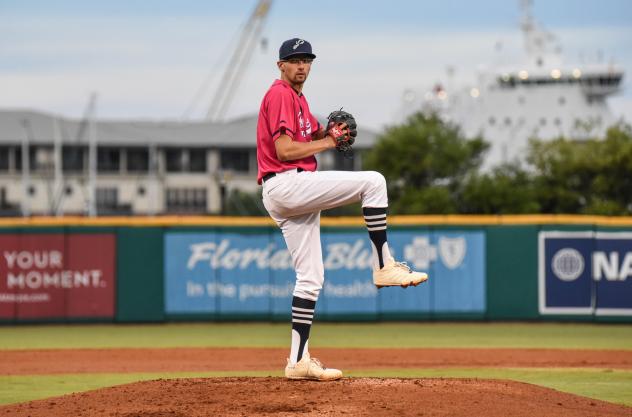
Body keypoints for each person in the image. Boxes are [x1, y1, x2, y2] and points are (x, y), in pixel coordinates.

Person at [256, 38, 428, 381]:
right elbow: (286, 150)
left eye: (307, 60)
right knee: (374, 182)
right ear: (281, 65)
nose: (302, 65)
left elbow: (303, 140)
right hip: (286, 182)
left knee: (310, 279)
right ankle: (384, 266)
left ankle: (298, 361)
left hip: (289, 190)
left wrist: (321, 131)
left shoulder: (299, 101)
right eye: (295, 60)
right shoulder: (279, 94)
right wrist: (329, 141)